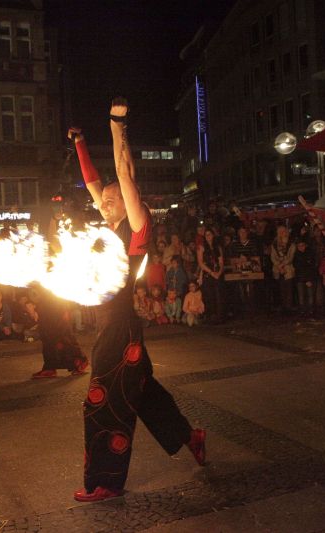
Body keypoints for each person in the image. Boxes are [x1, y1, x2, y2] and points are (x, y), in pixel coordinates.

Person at [67, 99, 205, 503]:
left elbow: (123, 174)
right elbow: (94, 183)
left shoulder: (137, 227)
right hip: (116, 325)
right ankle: (189, 436)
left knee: (104, 402)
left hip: (119, 329)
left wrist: (116, 126)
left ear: (129, 203)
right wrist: (80, 144)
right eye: (104, 200)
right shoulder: (110, 227)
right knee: (143, 391)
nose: (104, 202)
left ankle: (106, 481)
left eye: (112, 199)